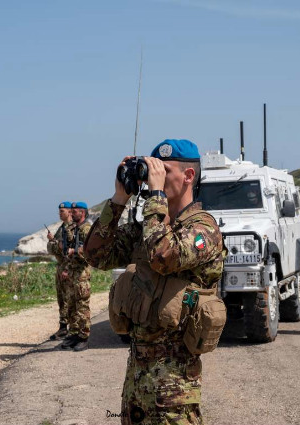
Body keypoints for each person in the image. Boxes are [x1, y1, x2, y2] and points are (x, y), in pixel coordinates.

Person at [84, 139, 225, 424]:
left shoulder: (203, 229)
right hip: (137, 379)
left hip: (174, 384)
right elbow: (95, 254)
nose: (153, 177)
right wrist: (119, 198)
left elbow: (165, 257)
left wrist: (156, 195)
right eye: (152, 170)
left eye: (163, 170)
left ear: (189, 176)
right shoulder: (146, 228)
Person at [60, 201, 92, 352]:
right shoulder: (74, 229)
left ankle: (84, 337)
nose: (71, 213)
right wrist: (66, 268)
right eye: (71, 211)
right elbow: (68, 252)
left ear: (83, 212)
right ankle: (73, 334)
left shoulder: (87, 229)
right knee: (71, 306)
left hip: (82, 275)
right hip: (72, 274)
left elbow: (91, 252)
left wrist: (76, 251)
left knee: (82, 307)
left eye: (75, 211)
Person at [46, 201, 73, 340]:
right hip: (61, 266)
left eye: (62, 211)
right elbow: (52, 250)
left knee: (70, 299)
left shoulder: (72, 228)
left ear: (69, 212)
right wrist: (52, 241)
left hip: (68, 267)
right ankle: (63, 328)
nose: (60, 213)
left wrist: (68, 268)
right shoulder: (61, 228)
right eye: (59, 211)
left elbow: (70, 251)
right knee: (61, 299)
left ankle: (73, 329)